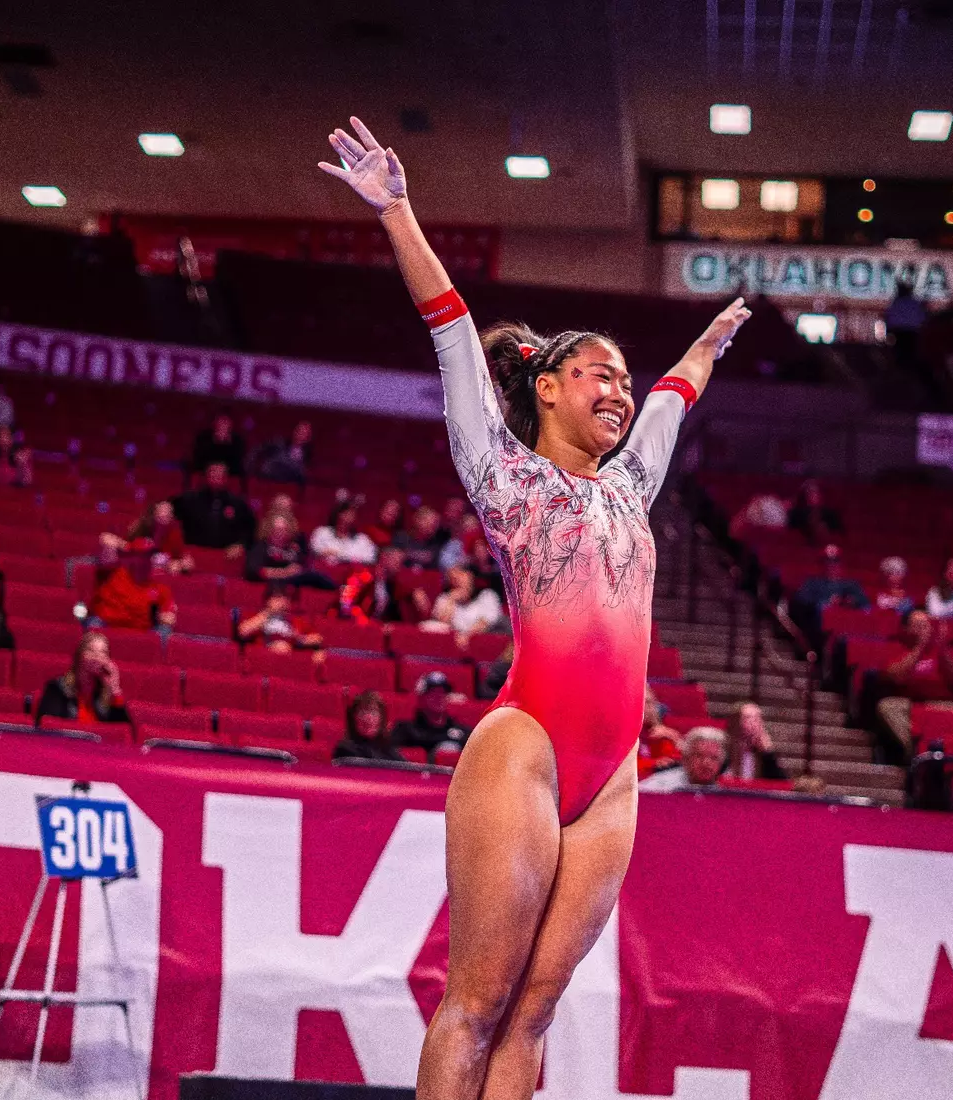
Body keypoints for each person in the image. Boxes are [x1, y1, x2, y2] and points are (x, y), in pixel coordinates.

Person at [320, 113, 751, 1100]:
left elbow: (674, 398)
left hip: (613, 773)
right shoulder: (503, 472)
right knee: (476, 1001)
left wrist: (706, 343)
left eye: (624, 379)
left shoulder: (631, 485)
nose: (621, 390)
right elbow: (451, 329)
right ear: (548, 387)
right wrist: (396, 212)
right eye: (600, 374)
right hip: (528, 744)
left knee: (534, 1012)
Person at [873, 610, 953, 756]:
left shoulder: (940, 651)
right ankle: (917, 750)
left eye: (926, 625)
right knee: (887, 706)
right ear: (906, 629)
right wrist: (919, 648)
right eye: (918, 625)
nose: (924, 629)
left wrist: (942, 647)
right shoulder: (895, 648)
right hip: (908, 704)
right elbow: (897, 677)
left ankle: (948, 752)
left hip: (939, 703)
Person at [88, 537, 177, 636]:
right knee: (94, 623)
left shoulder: (159, 587)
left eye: (148, 556)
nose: (144, 561)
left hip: (140, 633)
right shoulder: (112, 571)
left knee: (164, 631)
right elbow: (105, 539)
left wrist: (163, 617)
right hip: (107, 625)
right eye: (140, 556)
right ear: (131, 557)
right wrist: (126, 547)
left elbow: (169, 618)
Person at [35, 632, 129, 725]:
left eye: (103, 652)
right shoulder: (58, 688)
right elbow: (49, 726)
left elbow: (122, 730)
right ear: (79, 656)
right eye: (91, 650)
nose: (97, 656)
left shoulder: (106, 695)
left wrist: (115, 689)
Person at [790, 543, 870, 638]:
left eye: (835, 562)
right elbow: (801, 599)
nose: (832, 566)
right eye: (828, 562)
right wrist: (828, 601)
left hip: (846, 625)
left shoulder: (851, 584)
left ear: (841, 564)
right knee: (821, 607)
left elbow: (865, 602)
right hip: (819, 627)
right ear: (822, 564)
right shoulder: (812, 582)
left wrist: (850, 601)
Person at [173, 462, 256, 553]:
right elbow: (169, 509)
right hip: (193, 552)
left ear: (226, 478)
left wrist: (241, 544)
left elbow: (250, 528)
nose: (216, 476)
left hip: (226, 555)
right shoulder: (190, 499)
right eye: (213, 473)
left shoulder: (238, 503)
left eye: (220, 474)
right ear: (206, 477)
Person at [245, 511, 336, 591]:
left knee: (316, 577)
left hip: (294, 584)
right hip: (272, 584)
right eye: (276, 530)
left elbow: (301, 567)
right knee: (313, 577)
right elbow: (255, 571)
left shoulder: (293, 548)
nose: (279, 534)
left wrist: (294, 570)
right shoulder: (261, 547)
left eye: (283, 530)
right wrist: (284, 572)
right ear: (269, 531)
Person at [391, 670, 472, 754]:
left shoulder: (463, 732)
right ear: (421, 698)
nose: (439, 697)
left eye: (443, 692)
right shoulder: (406, 731)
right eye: (433, 693)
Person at [423, 564, 505, 641]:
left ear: (470, 576)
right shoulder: (445, 597)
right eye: (452, 578)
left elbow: (486, 622)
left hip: (486, 638)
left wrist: (467, 635)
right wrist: (451, 600)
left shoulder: (487, 595)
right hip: (456, 640)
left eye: (460, 575)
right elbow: (442, 624)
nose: (457, 581)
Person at [337, 545, 414, 624]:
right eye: (397, 561)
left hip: (374, 626)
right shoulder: (360, 576)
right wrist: (365, 622)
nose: (399, 566)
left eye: (401, 563)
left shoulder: (391, 585)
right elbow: (346, 606)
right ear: (384, 558)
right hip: (353, 624)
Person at [638, 726, 728, 792]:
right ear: (685, 759)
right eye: (699, 756)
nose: (706, 763)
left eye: (714, 758)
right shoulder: (658, 787)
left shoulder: (726, 794)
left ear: (721, 763)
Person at [235, 590, 325, 652]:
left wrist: (299, 638)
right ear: (268, 600)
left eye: (285, 599)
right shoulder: (256, 615)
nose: (282, 602)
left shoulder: (295, 620)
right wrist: (268, 613)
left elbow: (318, 639)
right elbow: (243, 631)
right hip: (264, 656)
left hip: (289, 657)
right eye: (278, 598)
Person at [723, 702, 788, 780]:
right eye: (748, 717)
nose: (754, 723)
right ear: (735, 722)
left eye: (757, 718)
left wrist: (768, 753)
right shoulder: (724, 750)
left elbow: (781, 782)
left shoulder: (764, 756)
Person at [334, 690, 404, 761]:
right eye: (362, 712)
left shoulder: (389, 749)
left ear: (382, 719)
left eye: (373, 712)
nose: (368, 717)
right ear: (353, 718)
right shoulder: (345, 750)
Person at [309, 501, 379, 567]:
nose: (348, 517)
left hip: (352, 573)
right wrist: (325, 553)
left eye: (352, 514)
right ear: (337, 515)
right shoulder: (322, 532)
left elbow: (371, 558)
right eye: (345, 513)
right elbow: (315, 549)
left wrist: (341, 556)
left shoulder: (362, 539)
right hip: (324, 571)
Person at [637, 684, 682, 778]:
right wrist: (654, 763)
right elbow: (625, 766)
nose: (648, 708)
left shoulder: (661, 734)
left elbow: (676, 760)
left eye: (650, 703)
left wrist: (675, 739)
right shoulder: (623, 736)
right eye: (642, 702)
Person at [253, 419, 314, 484]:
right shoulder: (280, 444)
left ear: (308, 438)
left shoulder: (307, 455)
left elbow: (301, 473)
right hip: (271, 478)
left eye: (304, 433)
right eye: (299, 430)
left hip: (291, 482)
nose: (299, 434)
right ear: (294, 431)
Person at [191, 413, 247, 481]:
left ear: (230, 425)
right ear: (214, 425)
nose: (223, 426)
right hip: (207, 472)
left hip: (230, 473)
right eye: (220, 423)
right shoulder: (203, 438)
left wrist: (223, 469)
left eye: (225, 423)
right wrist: (212, 469)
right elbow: (199, 458)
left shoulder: (237, 441)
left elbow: (237, 461)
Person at [786, 479, 842, 543]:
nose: (812, 495)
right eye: (809, 492)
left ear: (821, 495)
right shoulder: (797, 514)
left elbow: (839, 536)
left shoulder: (831, 514)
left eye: (816, 492)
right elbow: (790, 533)